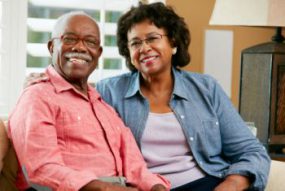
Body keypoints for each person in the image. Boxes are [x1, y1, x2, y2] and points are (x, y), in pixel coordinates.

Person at [24, 2, 271, 191]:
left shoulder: (206, 88)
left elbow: (251, 151)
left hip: (208, 183)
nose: (144, 48)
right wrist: (41, 80)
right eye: (135, 43)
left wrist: (232, 185)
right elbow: (71, 95)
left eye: (153, 38)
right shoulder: (109, 91)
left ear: (173, 42)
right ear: (127, 51)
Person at [8, 11, 170, 191]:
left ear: (98, 53)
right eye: (70, 39)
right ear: (52, 47)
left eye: (90, 42)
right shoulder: (37, 96)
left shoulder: (103, 104)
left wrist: (155, 186)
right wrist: (106, 189)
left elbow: (135, 166)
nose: (80, 48)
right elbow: (41, 169)